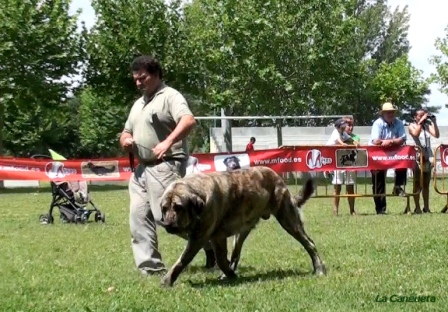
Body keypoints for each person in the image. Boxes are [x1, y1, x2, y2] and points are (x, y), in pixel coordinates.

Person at [119, 55, 215, 277]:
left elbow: (188, 120)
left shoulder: (170, 96)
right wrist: (125, 139)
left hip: (166, 165)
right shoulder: (138, 104)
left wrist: (168, 141)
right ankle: (150, 268)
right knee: (138, 217)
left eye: (142, 78)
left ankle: (210, 244)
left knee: (168, 218)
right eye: (135, 79)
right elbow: (126, 131)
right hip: (141, 170)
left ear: (155, 74)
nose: (138, 83)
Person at [369, 102, 407, 215]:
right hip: (377, 155)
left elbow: (403, 138)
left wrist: (389, 141)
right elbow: (375, 141)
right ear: (383, 113)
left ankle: (397, 186)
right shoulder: (377, 123)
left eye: (392, 112)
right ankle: (380, 209)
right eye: (388, 112)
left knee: (403, 163)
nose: (391, 114)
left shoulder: (399, 123)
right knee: (378, 181)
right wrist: (393, 141)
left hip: (393, 153)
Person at [408, 108, 439, 213]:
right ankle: (417, 207)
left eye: (424, 115)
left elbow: (437, 135)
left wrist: (434, 122)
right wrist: (421, 122)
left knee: (426, 184)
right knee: (417, 183)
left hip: (427, 158)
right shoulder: (412, 126)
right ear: (415, 117)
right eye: (420, 116)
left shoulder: (426, 127)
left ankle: (426, 207)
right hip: (417, 158)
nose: (423, 117)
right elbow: (415, 134)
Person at [326, 119, 354, 216]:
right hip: (333, 161)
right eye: (342, 125)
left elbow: (350, 139)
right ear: (338, 127)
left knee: (350, 186)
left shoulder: (343, 133)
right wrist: (345, 144)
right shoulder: (335, 133)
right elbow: (340, 142)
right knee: (337, 187)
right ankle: (335, 211)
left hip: (342, 160)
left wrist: (355, 142)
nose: (344, 126)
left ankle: (352, 211)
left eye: (344, 125)